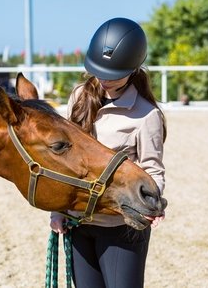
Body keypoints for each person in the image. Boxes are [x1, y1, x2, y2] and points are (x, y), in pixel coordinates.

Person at [50, 17, 167, 288]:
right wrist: (57, 209)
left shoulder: (146, 115)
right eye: (98, 71)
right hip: (78, 221)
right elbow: (65, 161)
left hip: (120, 227)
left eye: (113, 75)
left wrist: (153, 201)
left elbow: (152, 167)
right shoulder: (79, 97)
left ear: (133, 68)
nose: (103, 79)